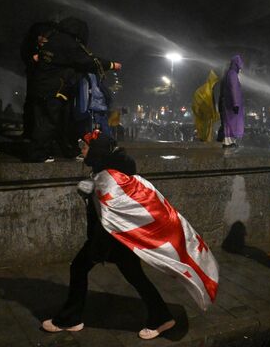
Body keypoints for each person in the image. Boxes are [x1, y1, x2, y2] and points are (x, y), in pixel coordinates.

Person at [42, 130, 175, 340]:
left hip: (110, 237)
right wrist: (91, 190)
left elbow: (110, 214)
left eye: (84, 148)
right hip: (116, 237)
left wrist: (98, 248)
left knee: (79, 268)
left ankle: (70, 319)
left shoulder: (110, 176)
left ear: (96, 150)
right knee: (134, 275)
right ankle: (161, 316)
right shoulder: (107, 169)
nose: (82, 152)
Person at [28, 17, 121, 162]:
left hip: (42, 88)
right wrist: (111, 65)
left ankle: (67, 150)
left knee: (51, 121)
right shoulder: (69, 44)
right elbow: (88, 61)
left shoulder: (52, 40)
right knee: (49, 121)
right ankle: (38, 154)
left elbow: (40, 58)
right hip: (55, 90)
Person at [217, 55, 244, 148]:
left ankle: (229, 141)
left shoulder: (229, 73)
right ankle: (229, 142)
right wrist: (236, 104)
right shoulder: (232, 74)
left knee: (229, 123)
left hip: (229, 103)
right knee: (231, 123)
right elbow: (234, 89)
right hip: (231, 105)